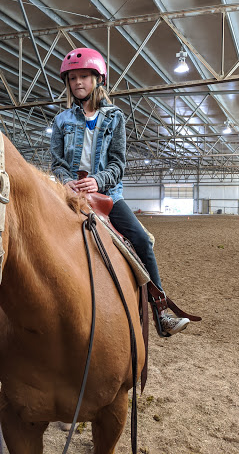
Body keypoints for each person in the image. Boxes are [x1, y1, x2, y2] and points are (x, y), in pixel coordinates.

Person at [50, 47, 189, 336]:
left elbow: (117, 163)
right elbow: (57, 162)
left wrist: (98, 181)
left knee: (141, 240)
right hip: (69, 193)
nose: (78, 82)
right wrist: (65, 181)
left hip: (107, 196)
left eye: (84, 77)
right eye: (73, 78)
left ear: (98, 79)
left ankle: (160, 310)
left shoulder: (115, 118)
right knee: (29, 227)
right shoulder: (61, 120)